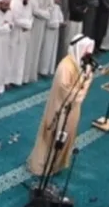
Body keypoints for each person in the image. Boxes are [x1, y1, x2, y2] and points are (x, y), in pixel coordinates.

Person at [27, 36, 95, 177]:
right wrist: (85, 85)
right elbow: (67, 92)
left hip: (73, 110)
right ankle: (42, 166)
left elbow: (80, 89)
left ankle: (56, 165)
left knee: (66, 136)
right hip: (60, 109)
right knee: (54, 135)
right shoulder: (66, 66)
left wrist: (88, 77)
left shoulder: (80, 66)